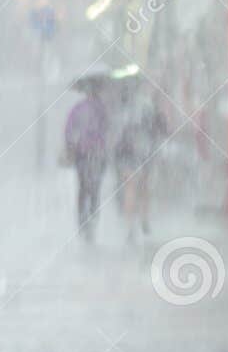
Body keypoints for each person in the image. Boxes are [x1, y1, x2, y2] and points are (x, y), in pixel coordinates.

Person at [113, 84, 168, 241]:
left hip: (127, 154)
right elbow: (163, 128)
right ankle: (144, 218)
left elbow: (117, 135)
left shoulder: (124, 111)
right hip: (145, 152)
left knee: (130, 189)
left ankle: (130, 225)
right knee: (143, 187)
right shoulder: (149, 108)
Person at [63, 88, 109, 241]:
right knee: (95, 187)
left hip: (81, 153)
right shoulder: (102, 109)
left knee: (83, 186)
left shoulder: (78, 108)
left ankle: (82, 220)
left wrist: (71, 145)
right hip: (98, 153)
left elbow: (69, 129)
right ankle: (93, 217)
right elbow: (108, 130)